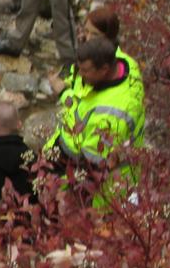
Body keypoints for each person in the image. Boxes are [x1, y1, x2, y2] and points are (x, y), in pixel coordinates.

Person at [44, 37, 144, 187]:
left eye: (84, 71)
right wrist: (64, 92)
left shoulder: (111, 117)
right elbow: (83, 103)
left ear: (104, 69)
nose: (80, 75)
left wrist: (59, 187)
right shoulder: (124, 63)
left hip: (94, 183)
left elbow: (91, 170)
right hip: (68, 153)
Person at [47, 5, 142, 99]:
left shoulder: (108, 64)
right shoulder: (91, 52)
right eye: (86, 31)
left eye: (95, 35)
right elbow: (77, 80)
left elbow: (85, 105)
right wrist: (63, 82)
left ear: (109, 36)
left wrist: (63, 92)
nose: (88, 38)